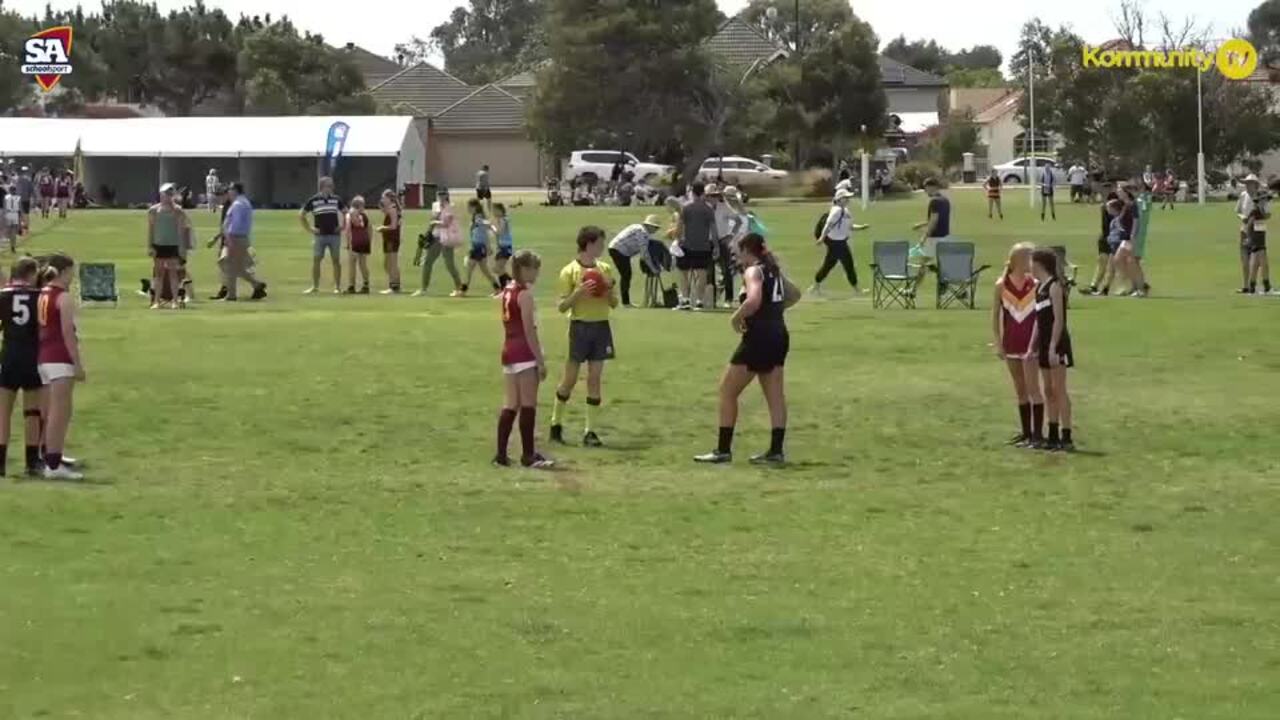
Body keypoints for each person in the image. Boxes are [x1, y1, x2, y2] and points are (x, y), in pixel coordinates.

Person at [695, 233, 801, 465]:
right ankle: (775, 452)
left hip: (759, 336)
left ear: (747, 251)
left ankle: (723, 450)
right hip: (778, 333)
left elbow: (752, 301)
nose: (734, 254)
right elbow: (795, 294)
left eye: (737, 250)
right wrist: (774, 310)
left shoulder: (753, 271)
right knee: (775, 397)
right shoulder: (773, 270)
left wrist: (736, 318)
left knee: (727, 391)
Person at [549, 226, 618, 447]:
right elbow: (561, 306)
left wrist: (606, 291)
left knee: (595, 378)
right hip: (579, 327)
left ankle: (590, 432)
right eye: (599, 243)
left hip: (601, 327)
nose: (602, 247)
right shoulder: (569, 271)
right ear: (588, 244)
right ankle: (556, 424)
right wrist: (578, 293)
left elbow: (614, 303)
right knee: (569, 380)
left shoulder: (605, 269)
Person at [494, 250, 554, 470]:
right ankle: (528, 455)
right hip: (524, 352)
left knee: (511, 404)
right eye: (535, 268)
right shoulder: (525, 295)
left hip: (508, 350)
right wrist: (540, 360)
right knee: (528, 404)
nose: (537, 273)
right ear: (525, 269)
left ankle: (501, 453)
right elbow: (529, 329)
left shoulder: (508, 290)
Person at [991, 242, 1044, 448]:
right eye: (1028, 257)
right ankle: (1026, 433)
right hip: (1011, 343)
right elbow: (995, 316)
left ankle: (1037, 435)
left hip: (1031, 345)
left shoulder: (1036, 283)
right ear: (1017, 261)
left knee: (1033, 389)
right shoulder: (1001, 285)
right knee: (1020, 389)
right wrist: (998, 343)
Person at [36, 254, 84, 481]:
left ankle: (51, 455)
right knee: (59, 412)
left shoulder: (43, 292)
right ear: (64, 271)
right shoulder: (62, 296)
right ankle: (53, 464)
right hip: (59, 357)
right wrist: (77, 363)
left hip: (44, 356)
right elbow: (67, 332)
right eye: (71, 271)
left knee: (51, 411)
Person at [0, 257, 46, 477]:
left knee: (3, 412)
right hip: (32, 357)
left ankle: (0, 463)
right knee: (32, 413)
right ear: (31, 273)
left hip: (9, 356)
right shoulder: (39, 297)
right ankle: (31, 461)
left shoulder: (3, 295)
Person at [1031, 248, 1075, 452]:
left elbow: (1059, 319)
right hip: (1043, 343)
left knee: (1059, 389)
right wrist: (1033, 345)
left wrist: (1052, 346)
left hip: (1056, 343)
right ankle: (1053, 432)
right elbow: (1038, 322)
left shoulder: (1055, 287)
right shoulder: (1038, 287)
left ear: (1039, 264)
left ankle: (1066, 435)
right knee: (1048, 389)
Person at [810, 188, 869, 297]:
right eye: (845, 198)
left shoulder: (846, 211)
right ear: (839, 199)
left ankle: (815, 286)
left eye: (848, 197)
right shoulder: (836, 210)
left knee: (828, 265)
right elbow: (828, 225)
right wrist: (822, 238)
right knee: (848, 265)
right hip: (837, 243)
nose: (848, 199)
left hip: (839, 243)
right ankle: (857, 290)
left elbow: (850, 227)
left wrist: (861, 227)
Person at [220, 182, 268, 302]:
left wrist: (229, 239)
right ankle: (257, 285)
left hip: (236, 238)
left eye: (230, 189)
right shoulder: (244, 202)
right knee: (237, 267)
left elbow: (235, 224)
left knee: (230, 266)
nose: (228, 192)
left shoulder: (237, 204)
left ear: (235, 190)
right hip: (241, 238)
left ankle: (231, 295)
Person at [673, 181, 716, 310]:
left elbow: (679, 226)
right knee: (701, 273)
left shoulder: (686, 208)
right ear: (703, 192)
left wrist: (677, 240)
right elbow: (713, 229)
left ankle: (685, 299)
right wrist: (716, 246)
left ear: (692, 192)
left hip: (687, 244)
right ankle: (699, 300)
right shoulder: (708, 209)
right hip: (703, 245)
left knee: (684, 273)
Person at [147, 183, 191, 310]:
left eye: (168, 195)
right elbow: (151, 229)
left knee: (173, 273)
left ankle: (175, 301)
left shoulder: (178, 211)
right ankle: (156, 301)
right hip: (158, 245)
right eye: (164, 195)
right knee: (158, 274)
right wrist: (150, 246)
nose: (166, 197)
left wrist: (182, 249)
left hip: (173, 245)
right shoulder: (154, 210)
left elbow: (181, 231)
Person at [300, 176, 346, 295]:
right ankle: (315, 286)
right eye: (329, 185)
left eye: (332, 185)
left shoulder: (336, 199)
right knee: (316, 260)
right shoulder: (314, 200)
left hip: (334, 235)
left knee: (336, 260)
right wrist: (310, 229)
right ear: (322, 187)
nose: (331, 188)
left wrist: (342, 226)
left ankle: (337, 287)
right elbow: (302, 215)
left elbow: (346, 212)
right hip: (319, 235)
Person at [415, 189, 465, 297]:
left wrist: (434, 222)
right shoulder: (435, 206)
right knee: (428, 261)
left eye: (443, 194)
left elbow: (446, 223)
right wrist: (428, 232)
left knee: (449, 264)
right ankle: (424, 288)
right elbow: (432, 220)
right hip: (436, 237)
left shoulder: (451, 206)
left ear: (447, 195)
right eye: (439, 194)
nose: (441, 197)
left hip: (446, 238)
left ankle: (459, 288)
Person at [608, 214, 662, 307]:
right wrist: (653, 269)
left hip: (618, 249)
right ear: (649, 225)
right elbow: (644, 254)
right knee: (626, 275)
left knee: (626, 275)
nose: (656, 230)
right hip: (619, 250)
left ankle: (626, 302)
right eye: (655, 227)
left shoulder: (637, 227)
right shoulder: (642, 232)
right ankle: (625, 303)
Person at [910, 178, 952, 288]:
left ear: (931, 187)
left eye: (925, 188)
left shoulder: (934, 201)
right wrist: (921, 225)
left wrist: (924, 237)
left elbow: (934, 221)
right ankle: (955, 289)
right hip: (945, 237)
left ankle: (913, 290)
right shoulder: (945, 200)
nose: (925, 191)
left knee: (922, 265)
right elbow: (938, 219)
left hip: (934, 238)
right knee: (942, 266)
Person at [1240, 175, 1272, 295]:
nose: (1265, 202)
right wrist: (1248, 237)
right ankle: (1266, 286)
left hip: (1260, 238)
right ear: (1259, 201)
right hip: (1257, 239)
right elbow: (1249, 224)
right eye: (1263, 200)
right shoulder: (1255, 211)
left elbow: (1266, 217)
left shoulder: (1261, 211)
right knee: (1263, 262)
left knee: (1255, 263)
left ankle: (1252, 286)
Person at [1085, 191, 1121, 295]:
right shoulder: (1109, 208)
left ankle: (1100, 286)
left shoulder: (1108, 208)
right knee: (1105, 262)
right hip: (1108, 237)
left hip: (1111, 237)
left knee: (1108, 263)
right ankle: (1098, 286)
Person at [344, 195, 372, 294]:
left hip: (355, 241)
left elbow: (348, 229)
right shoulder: (365, 215)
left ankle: (351, 286)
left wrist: (348, 242)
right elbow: (369, 228)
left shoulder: (350, 214)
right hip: (364, 241)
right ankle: (366, 285)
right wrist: (369, 241)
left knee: (352, 263)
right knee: (363, 264)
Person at [377, 189, 403, 294]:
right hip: (389, 239)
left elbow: (393, 226)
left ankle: (393, 286)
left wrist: (382, 228)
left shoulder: (392, 209)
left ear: (389, 198)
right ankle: (396, 284)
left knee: (391, 263)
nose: (382, 200)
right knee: (388, 263)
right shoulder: (391, 208)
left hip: (392, 239)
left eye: (384, 198)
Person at [490, 202, 515, 290]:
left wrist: (492, 227)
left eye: (495, 210)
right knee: (498, 269)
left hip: (506, 247)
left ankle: (506, 287)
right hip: (501, 247)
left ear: (500, 211)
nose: (494, 213)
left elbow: (500, 232)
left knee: (498, 268)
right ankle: (508, 285)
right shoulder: (499, 220)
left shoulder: (504, 220)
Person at [2, 184, 19, 253]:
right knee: (14, 231)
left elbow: (4, 207)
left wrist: (4, 215)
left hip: (8, 213)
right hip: (15, 214)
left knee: (8, 230)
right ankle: (13, 246)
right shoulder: (18, 197)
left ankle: (9, 241)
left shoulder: (6, 197)